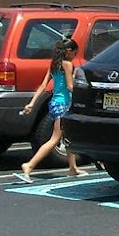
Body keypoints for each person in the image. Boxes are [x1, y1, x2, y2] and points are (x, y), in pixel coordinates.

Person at [18, 36, 81, 182]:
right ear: (69, 51)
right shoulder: (67, 65)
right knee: (54, 139)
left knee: (68, 136)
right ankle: (29, 165)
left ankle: (73, 168)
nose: (74, 56)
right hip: (64, 104)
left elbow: (43, 85)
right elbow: (70, 87)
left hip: (54, 103)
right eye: (75, 53)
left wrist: (32, 103)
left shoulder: (54, 64)